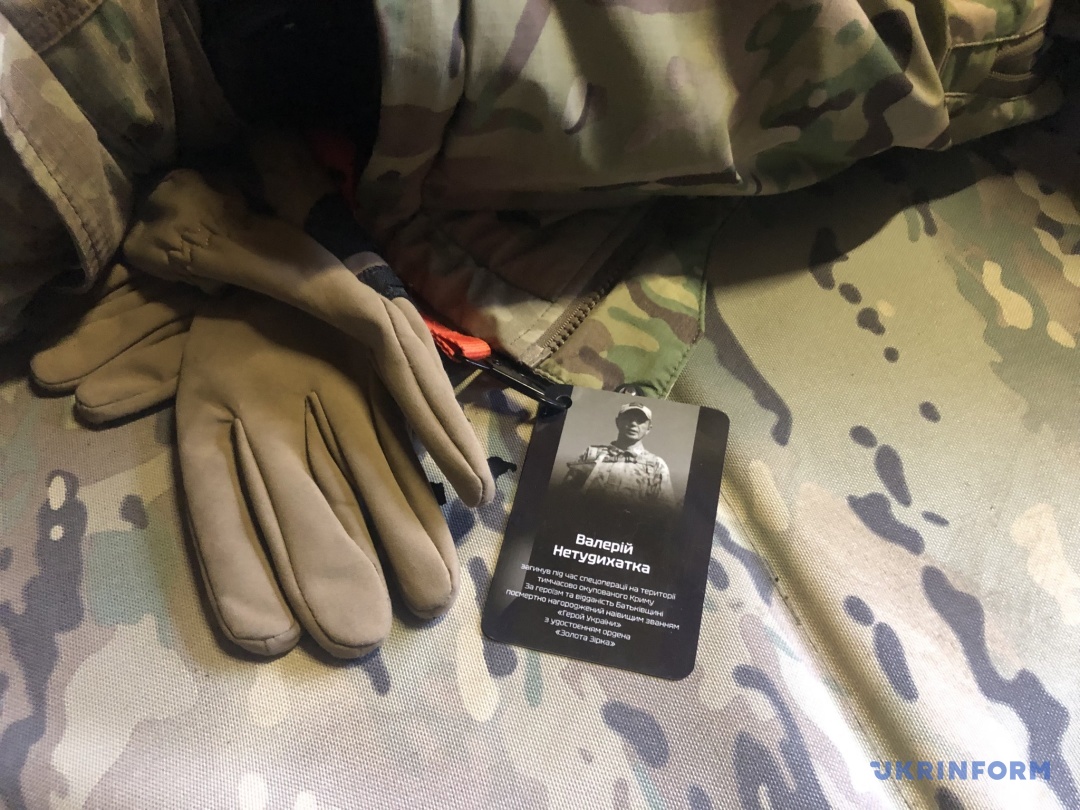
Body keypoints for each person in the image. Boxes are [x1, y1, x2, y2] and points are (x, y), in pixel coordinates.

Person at [563, 403, 676, 508]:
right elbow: (565, 493)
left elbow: (665, 509)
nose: (633, 424)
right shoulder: (592, 454)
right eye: (628, 418)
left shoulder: (656, 465)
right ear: (618, 422)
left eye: (640, 420)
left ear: (648, 429)